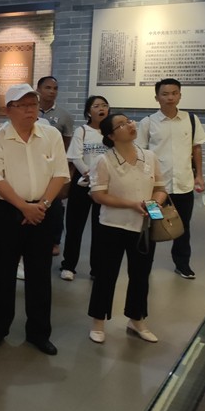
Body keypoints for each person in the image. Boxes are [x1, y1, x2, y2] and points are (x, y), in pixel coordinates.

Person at [0, 83, 69, 356]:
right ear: (9, 110)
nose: (31, 110)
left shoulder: (51, 135)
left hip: (43, 210)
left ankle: (39, 332)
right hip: (7, 212)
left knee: (40, 274)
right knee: (3, 273)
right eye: (24, 105)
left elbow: (60, 174)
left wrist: (42, 205)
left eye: (34, 104)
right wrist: (23, 207)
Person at [88, 114, 165, 344]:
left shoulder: (150, 156)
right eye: (121, 125)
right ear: (111, 136)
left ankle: (137, 319)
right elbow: (98, 195)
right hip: (111, 226)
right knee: (106, 275)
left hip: (142, 227)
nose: (130, 125)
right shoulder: (104, 160)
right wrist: (132, 204)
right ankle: (98, 322)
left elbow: (160, 188)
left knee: (141, 275)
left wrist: (154, 204)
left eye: (129, 121)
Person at [135, 78, 205, 279]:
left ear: (180, 95)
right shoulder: (148, 122)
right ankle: (144, 265)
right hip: (155, 188)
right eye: (165, 94)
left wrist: (199, 175)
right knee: (152, 224)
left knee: (183, 226)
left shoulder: (190, 119)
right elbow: (140, 153)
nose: (170, 97)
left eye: (174, 93)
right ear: (157, 97)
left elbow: (196, 148)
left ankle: (182, 264)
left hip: (184, 184)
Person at [60, 96, 109, 281]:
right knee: (75, 227)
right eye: (96, 106)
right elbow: (75, 156)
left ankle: (97, 268)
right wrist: (90, 174)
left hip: (104, 186)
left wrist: (100, 179)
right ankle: (68, 266)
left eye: (104, 105)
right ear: (89, 112)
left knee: (101, 228)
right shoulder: (82, 131)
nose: (101, 109)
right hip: (82, 183)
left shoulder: (112, 132)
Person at [36, 76, 74, 257]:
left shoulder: (64, 115)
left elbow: (66, 144)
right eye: (48, 87)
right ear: (38, 89)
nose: (52, 91)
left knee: (55, 205)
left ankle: (54, 241)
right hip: (33, 165)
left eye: (55, 88)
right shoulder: (31, 111)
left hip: (52, 168)